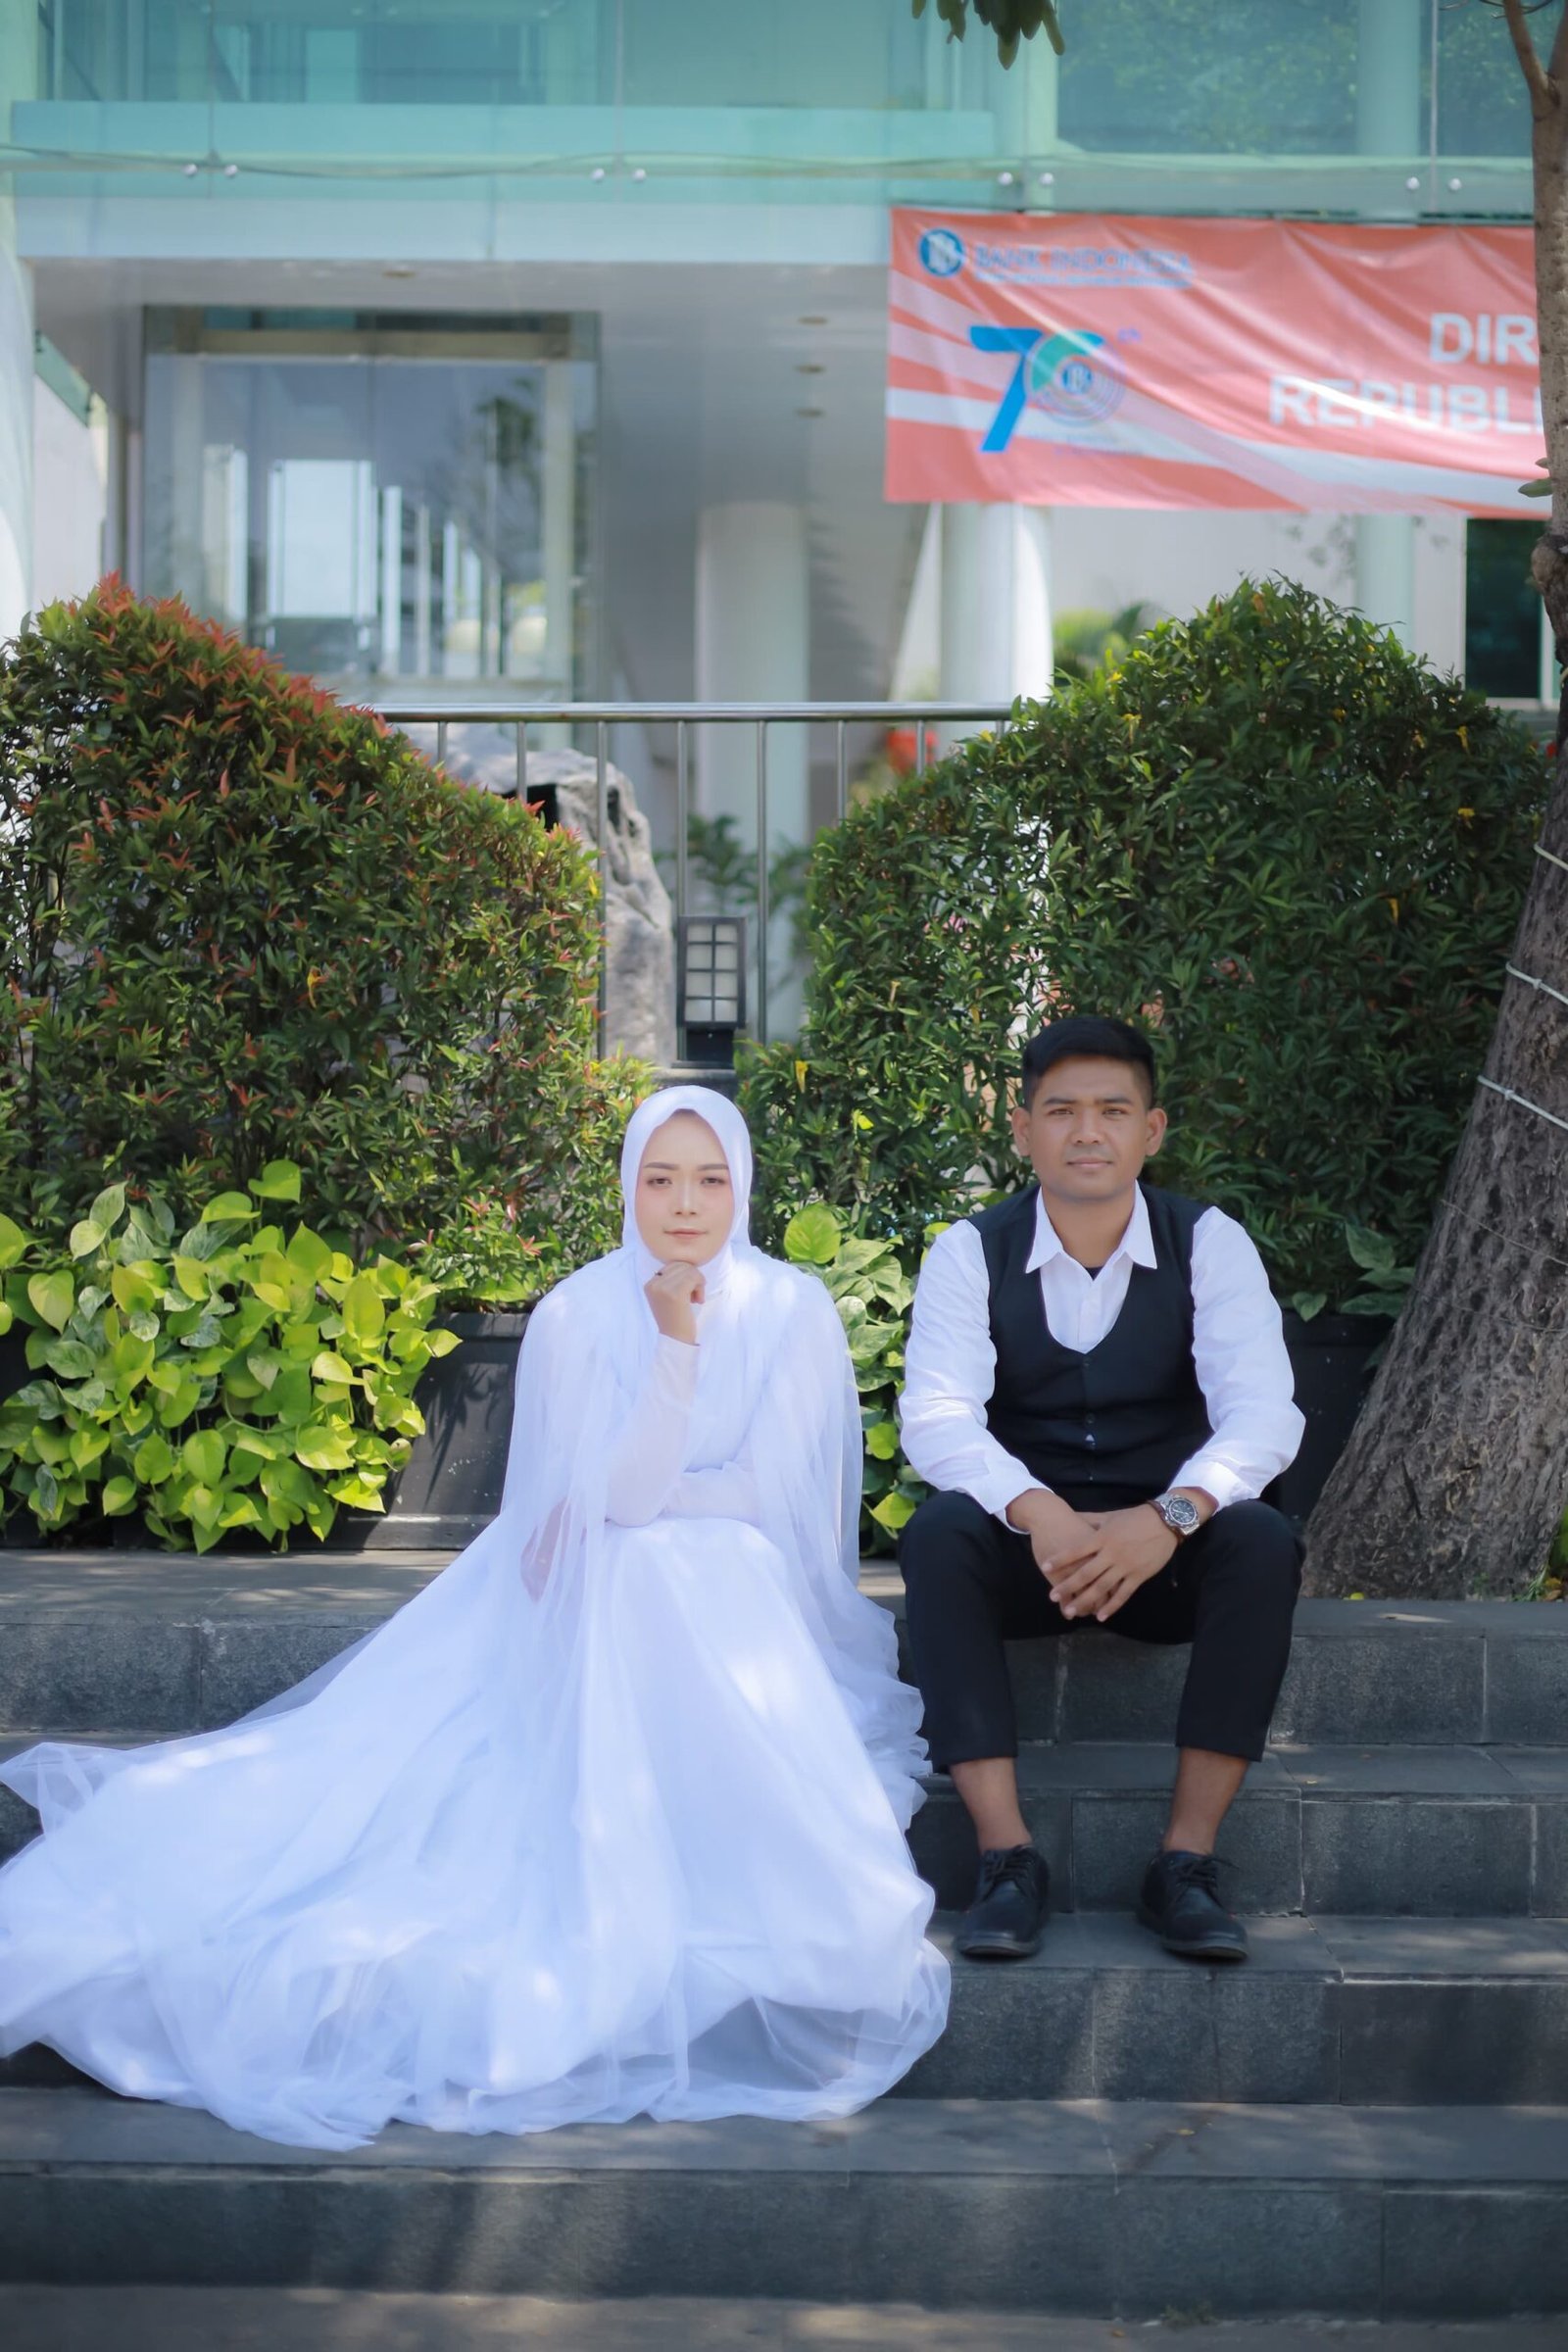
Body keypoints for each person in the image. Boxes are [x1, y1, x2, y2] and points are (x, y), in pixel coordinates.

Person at [0, 1086, 948, 2150]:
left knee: (688, 1556)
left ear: (743, 1187)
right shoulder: (580, 1313)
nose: (685, 1205)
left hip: (733, 1598)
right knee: (647, 1562)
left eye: (710, 1179)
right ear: (627, 1187)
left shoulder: (789, 1309)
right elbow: (610, 1502)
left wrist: (639, 1500)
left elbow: (758, 1500)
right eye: (659, 1179)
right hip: (589, 1603)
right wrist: (674, 1352)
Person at [898, 1015, 1305, 1967]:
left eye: (1113, 1111)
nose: (1088, 1132)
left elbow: (1264, 1414)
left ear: (1150, 1130)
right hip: (1030, 1559)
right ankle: (1005, 1859)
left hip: (1165, 1560)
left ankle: (1185, 1865)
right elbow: (938, 1415)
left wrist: (1169, 1518)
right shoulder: (970, 1251)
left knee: (1261, 1542)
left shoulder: (1209, 1243)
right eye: (1062, 1111)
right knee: (939, 1534)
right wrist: (1038, 1511)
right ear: (1022, 1129)